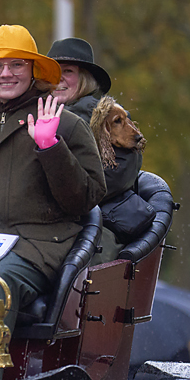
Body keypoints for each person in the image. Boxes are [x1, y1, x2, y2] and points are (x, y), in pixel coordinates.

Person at [0, 25, 106, 329]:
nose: (5, 74)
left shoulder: (68, 125)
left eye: (17, 64)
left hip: (35, 245)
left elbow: (85, 199)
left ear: (34, 69)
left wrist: (50, 147)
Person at [49, 37, 149, 242]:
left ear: (85, 78)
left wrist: (63, 198)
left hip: (93, 225)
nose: (59, 79)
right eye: (53, 72)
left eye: (68, 71)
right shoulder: (31, 114)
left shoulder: (113, 117)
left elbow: (119, 174)